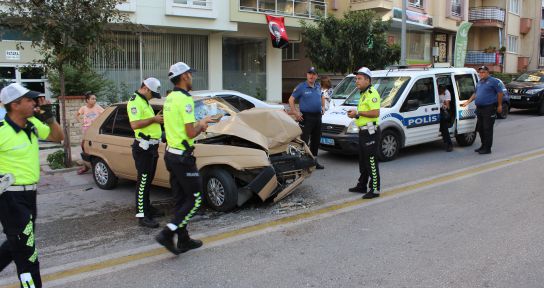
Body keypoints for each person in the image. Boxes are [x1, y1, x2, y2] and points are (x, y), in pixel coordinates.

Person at [0, 83, 64, 288]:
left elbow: (57, 137)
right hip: (10, 197)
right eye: (29, 100)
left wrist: (50, 118)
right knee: (28, 254)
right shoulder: (1, 131)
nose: (35, 103)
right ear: (15, 105)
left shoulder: (33, 123)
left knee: (17, 243)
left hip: (30, 196)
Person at [155, 62, 217, 255]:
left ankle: (183, 240)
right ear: (184, 77)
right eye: (190, 73)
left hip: (171, 154)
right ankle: (168, 232)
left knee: (181, 200)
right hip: (182, 157)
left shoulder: (170, 98)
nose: (192, 77)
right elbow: (190, 133)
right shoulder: (185, 100)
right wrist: (202, 123)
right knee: (196, 200)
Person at [127, 78, 164, 228]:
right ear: (146, 89)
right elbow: (134, 124)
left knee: (148, 181)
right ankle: (142, 216)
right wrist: (154, 119)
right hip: (143, 148)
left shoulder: (144, 101)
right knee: (142, 182)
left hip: (151, 147)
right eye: (153, 94)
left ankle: (147, 208)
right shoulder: (135, 101)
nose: (153, 96)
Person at [347, 67, 381, 199]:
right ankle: (362, 185)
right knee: (363, 161)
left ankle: (375, 189)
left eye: (359, 78)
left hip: (371, 132)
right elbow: (364, 115)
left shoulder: (372, 93)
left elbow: (375, 113)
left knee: (371, 160)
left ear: (367, 80)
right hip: (363, 131)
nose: (357, 81)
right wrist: (355, 116)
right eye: (356, 79)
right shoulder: (362, 94)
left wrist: (358, 113)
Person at [289, 66, 326, 169]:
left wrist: (323, 107)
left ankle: (314, 161)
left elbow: (322, 96)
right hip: (306, 117)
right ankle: (304, 162)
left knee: (316, 140)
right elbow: (291, 99)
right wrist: (295, 112)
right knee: (304, 140)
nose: (311, 76)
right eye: (310, 73)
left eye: (314, 74)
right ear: (307, 75)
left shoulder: (318, 86)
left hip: (318, 117)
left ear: (316, 76)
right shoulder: (301, 87)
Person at [461, 65, 503, 154]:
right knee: (480, 128)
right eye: (480, 72)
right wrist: (467, 102)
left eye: (483, 72)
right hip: (480, 108)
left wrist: (499, 105)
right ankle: (483, 145)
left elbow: (500, 93)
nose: (481, 74)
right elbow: (475, 93)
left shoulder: (494, 81)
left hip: (489, 108)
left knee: (487, 128)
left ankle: (487, 148)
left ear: (488, 72)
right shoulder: (480, 82)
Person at [75, 92, 104, 174]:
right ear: (87, 100)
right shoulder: (83, 108)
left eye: (95, 99)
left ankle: (92, 165)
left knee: (95, 147)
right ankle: (86, 166)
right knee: (84, 146)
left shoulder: (98, 107)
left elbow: (105, 114)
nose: (94, 100)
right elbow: (77, 115)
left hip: (95, 130)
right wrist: (81, 121)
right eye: (92, 99)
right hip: (86, 129)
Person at [438, 85, 453, 152]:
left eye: (441, 90)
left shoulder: (446, 92)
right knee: (442, 128)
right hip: (436, 110)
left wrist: (443, 106)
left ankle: (449, 144)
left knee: (444, 128)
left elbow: (448, 106)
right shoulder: (437, 91)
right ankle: (446, 142)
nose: (440, 91)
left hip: (443, 111)